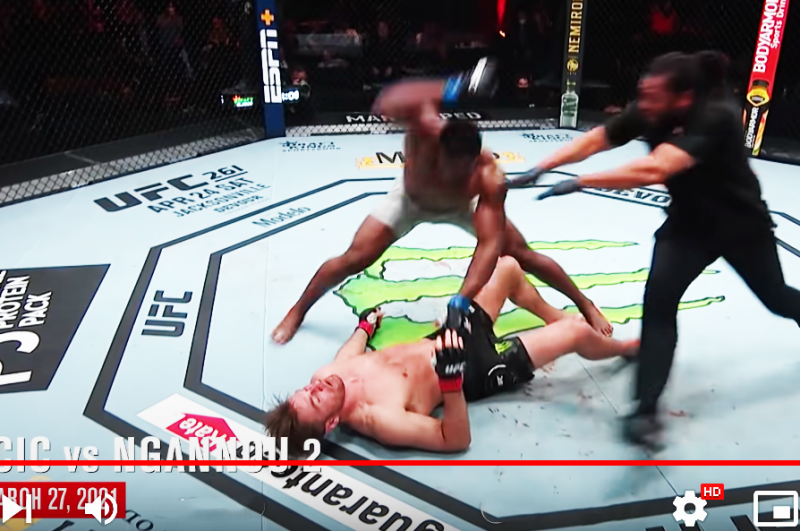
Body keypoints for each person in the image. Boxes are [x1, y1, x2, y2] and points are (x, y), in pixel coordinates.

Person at [512, 51, 800, 449]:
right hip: (688, 227)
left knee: (776, 299)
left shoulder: (714, 115)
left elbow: (656, 169)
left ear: (683, 97)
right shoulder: (650, 109)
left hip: (740, 226)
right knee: (659, 306)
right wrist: (542, 167)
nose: (643, 104)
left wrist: (581, 182)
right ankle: (645, 409)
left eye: (653, 96)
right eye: (643, 94)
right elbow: (599, 138)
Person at [272, 58, 613, 344]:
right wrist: (453, 86)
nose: (455, 172)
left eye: (465, 167)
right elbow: (389, 99)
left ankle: (585, 304)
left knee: (522, 253)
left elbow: (489, 245)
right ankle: (297, 311)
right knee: (355, 257)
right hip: (410, 201)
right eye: (450, 165)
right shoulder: (424, 133)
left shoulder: (489, 177)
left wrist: (463, 298)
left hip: (462, 206)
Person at [264, 256, 638, 455]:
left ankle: (550, 315)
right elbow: (454, 439)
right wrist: (450, 381)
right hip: (475, 370)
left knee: (506, 267)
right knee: (576, 333)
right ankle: (622, 349)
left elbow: (347, 355)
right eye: (316, 398)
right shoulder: (381, 419)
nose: (316, 386)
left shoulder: (326, 377)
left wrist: (364, 327)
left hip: (447, 338)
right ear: (331, 423)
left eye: (306, 389)